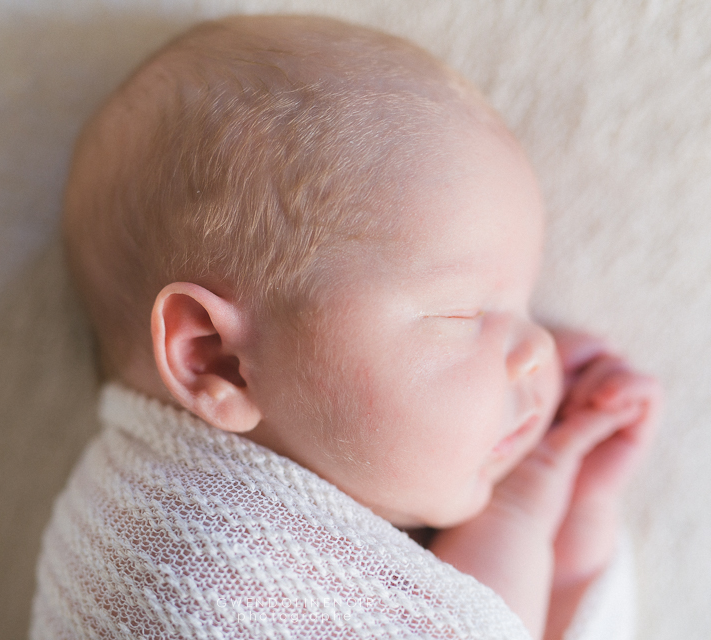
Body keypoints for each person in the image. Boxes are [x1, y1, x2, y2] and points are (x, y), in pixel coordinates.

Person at [32, 14, 660, 640]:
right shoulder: (184, 571)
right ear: (219, 361)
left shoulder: (319, 513)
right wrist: (523, 504)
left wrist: (575, 520)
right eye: (463, 314)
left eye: (523, 304)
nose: (537, 348)